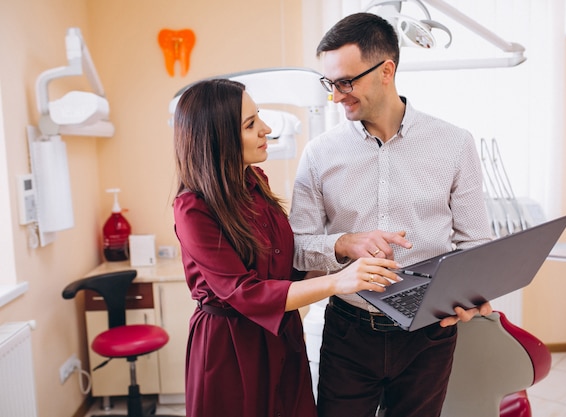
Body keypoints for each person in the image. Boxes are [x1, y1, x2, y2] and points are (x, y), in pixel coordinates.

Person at [289, 12, 494, 417]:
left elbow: (476, 244)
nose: (336, 96)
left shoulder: (454, 144)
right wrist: (345, 243)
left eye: (346, 82)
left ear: (387, 71)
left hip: (428, 335)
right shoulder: (319, 153)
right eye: (329, 84)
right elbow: (297, 248)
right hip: (349, 330)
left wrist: (472, 293)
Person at [172, 78, 401, 417]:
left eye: (258, 116)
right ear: (217, 139)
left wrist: (344, 248)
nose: (266, 129)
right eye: (251, 124)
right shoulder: (194, 208)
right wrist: (339, 281)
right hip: (232, 348)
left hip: (281, 337)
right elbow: (244, 292)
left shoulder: (255, 183)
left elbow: (284, 265)